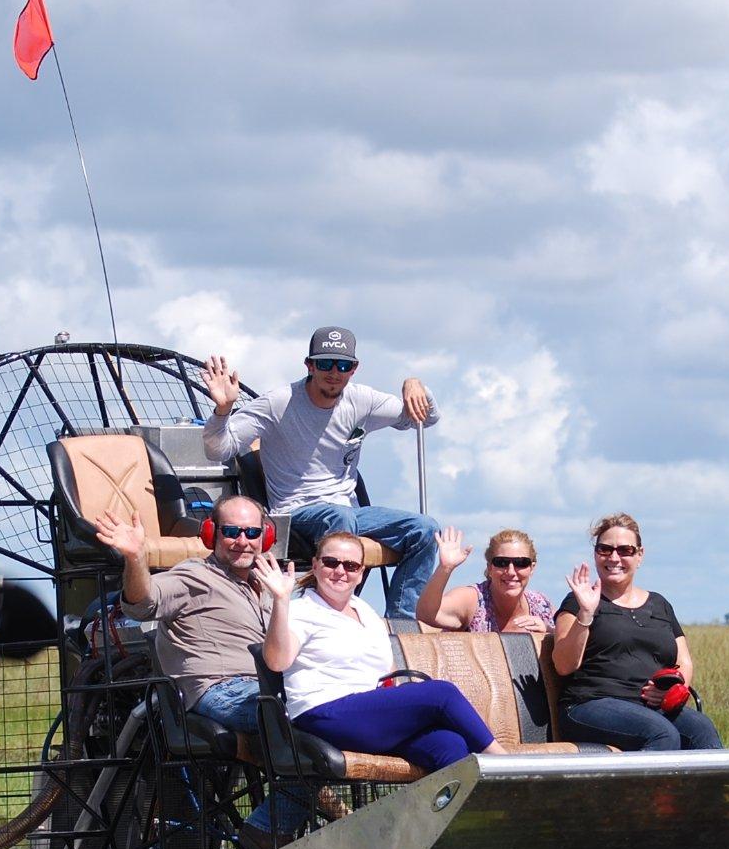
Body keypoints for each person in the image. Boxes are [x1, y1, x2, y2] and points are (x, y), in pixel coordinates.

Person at [92, 493, 301, 849]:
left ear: (266, 537)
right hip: (218, 691)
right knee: (299, 720)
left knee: (322, 721)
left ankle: (270, 836)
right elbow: (143, 604)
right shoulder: (193, 575)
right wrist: (136, 557)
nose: (242, 541)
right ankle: (265, 830)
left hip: (268, 690)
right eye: (231, 531)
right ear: (211, 535)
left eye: (251, 532)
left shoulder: (271, 583)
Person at [200, 326, 439, 619]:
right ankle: (332, 614)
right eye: (325, 363)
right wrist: (223, 410)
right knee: (339, 516)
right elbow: (218, 449)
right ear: (309, 365)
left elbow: (425, 418)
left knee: (426, 529)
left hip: (347, 511)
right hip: (296, 510)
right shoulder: (279, 402)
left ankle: (400, 622)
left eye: (343, 365)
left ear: (354, 369)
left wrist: (415, 385)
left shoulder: (362, 399)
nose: (334, 372)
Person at [262, 530, 506, 770]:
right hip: (323, 713)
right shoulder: (301, 610)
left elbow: (387, 674)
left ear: (361, 573)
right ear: (315, 566)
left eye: (350, 566)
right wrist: (281, 601)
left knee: (448, 744)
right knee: (441, 693)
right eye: (331, 562)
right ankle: (505, 763)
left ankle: (464, 809)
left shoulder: (365, 611)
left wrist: (402, 706)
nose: (340, 571)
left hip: (369, 717)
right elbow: (277, 661)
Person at [552, 513, 722, 751]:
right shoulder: (578, 602)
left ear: (639, 555)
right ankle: (643, 790)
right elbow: (563, 664)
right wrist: (586, 614)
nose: (614, 557)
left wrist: (672, 691)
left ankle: (705, 790)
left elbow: (683, 661)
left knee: (701, 729)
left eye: (625, 550)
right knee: (662, 734)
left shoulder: (659, 604)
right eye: (605, 549)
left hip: (650, 707)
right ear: (595, 554)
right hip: (589, 704)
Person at [416, 526, 555, 634]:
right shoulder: (473, 600)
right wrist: (445, 568)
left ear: (532, 568)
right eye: (502, 563)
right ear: (490, 568)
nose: (511, 571)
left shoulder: (541, 605)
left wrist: (550, 631)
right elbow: (427, 614)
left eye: (521, 563)